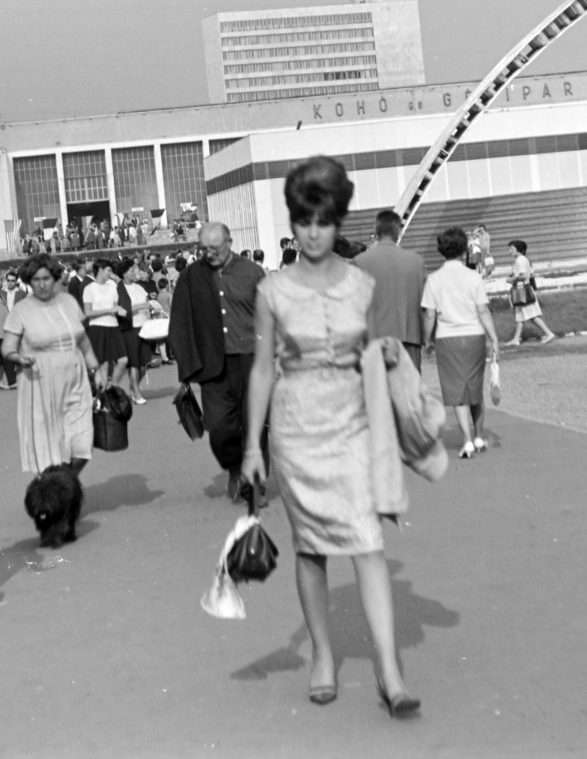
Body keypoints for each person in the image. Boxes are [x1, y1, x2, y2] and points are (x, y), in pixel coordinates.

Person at [241, 156, 419, 716]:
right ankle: (322, 653)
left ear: (338, 222)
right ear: (293, 225)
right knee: (311, 546)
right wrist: (251, 446)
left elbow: (370, 348)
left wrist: (384, 352)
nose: (313, 233)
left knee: (367, 542)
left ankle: (390, 671)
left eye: (323, 221)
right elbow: (264, 367)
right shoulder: (272, 291)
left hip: (351, 426)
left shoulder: (362, 284)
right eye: (303, 222)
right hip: (295, 430)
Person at [168, 222, 266, 501]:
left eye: (215, 248)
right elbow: (180, 324)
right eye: (203, 249)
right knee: (219, 428)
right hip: (212, 364)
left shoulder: (252, 272)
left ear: (230, 243)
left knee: (254, 424)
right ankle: (235, 469)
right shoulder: (190, 277)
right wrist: (186, 368)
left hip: (251, 360)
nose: (209, 254)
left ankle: (252, 484)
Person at [3, 253, 103, 475]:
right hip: (40, 383)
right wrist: (18, 357)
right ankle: (55, 492)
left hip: (75, 379)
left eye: (46, 278)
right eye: (35, 280)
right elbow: (7, 347)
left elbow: (83, 340)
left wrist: (95, 369)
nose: (41, 284)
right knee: (48, 444)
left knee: (82, 443)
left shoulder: (68, 302)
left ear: (55, 278)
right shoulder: (21, 310)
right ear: (29, 281)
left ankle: (62, 483)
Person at [422, 226, 498, 456]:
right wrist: (493, 337)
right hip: (474, 336)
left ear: (441, 250)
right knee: (474, 387)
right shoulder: (473, 276)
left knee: (457, 391)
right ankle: (478, 436)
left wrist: (427, 340)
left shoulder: (433, 279)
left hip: (447, 338)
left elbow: (429, 314)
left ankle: (465, 440)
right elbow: (483, 311)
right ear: (464, 249)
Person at [355, 210, 427, 372]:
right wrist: (427, 338)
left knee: (377, 393)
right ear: (398, 231)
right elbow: (425, 304)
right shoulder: (416, 261)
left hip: (373, 340)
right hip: (409, 337)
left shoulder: (360, 262)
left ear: (376, 230)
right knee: (410, 393)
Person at [82, 259, 129, 388]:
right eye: (108, 270)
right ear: (101, 271)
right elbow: (88, 313)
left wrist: (122, 311)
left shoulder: (112, 287)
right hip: (97, 328)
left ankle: (111, 387)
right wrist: (110, 310)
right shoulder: (89, 288)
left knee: (123, 360)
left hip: (113, 327)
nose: (110, 273)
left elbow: (116, 307)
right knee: (103, 364)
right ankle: (103, 394)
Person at [502, 240, 555, 346]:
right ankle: (516, 339)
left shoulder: (519, 260)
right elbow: (531, 274)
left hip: (522, 291)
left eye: (511, 248)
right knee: (520, 316)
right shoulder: (524, 259)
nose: (509, 251)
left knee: (532, 315)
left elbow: (524, 276)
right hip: (524, 289)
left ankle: (549, 333)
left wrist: (512, 279)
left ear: (518, 249)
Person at [119, 261, 152, 405]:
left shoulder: (139, 287)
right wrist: (141, 306)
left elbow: (148, 304)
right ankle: (136, 393)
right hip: (130, 329)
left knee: (144, 364)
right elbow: (123, 311)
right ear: (124, 273)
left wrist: (151, 307)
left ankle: (133, 387)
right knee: (134, 363)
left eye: (135, 270)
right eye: (132, 271)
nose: (135, 273)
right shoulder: (119, 289)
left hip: (144, 327)